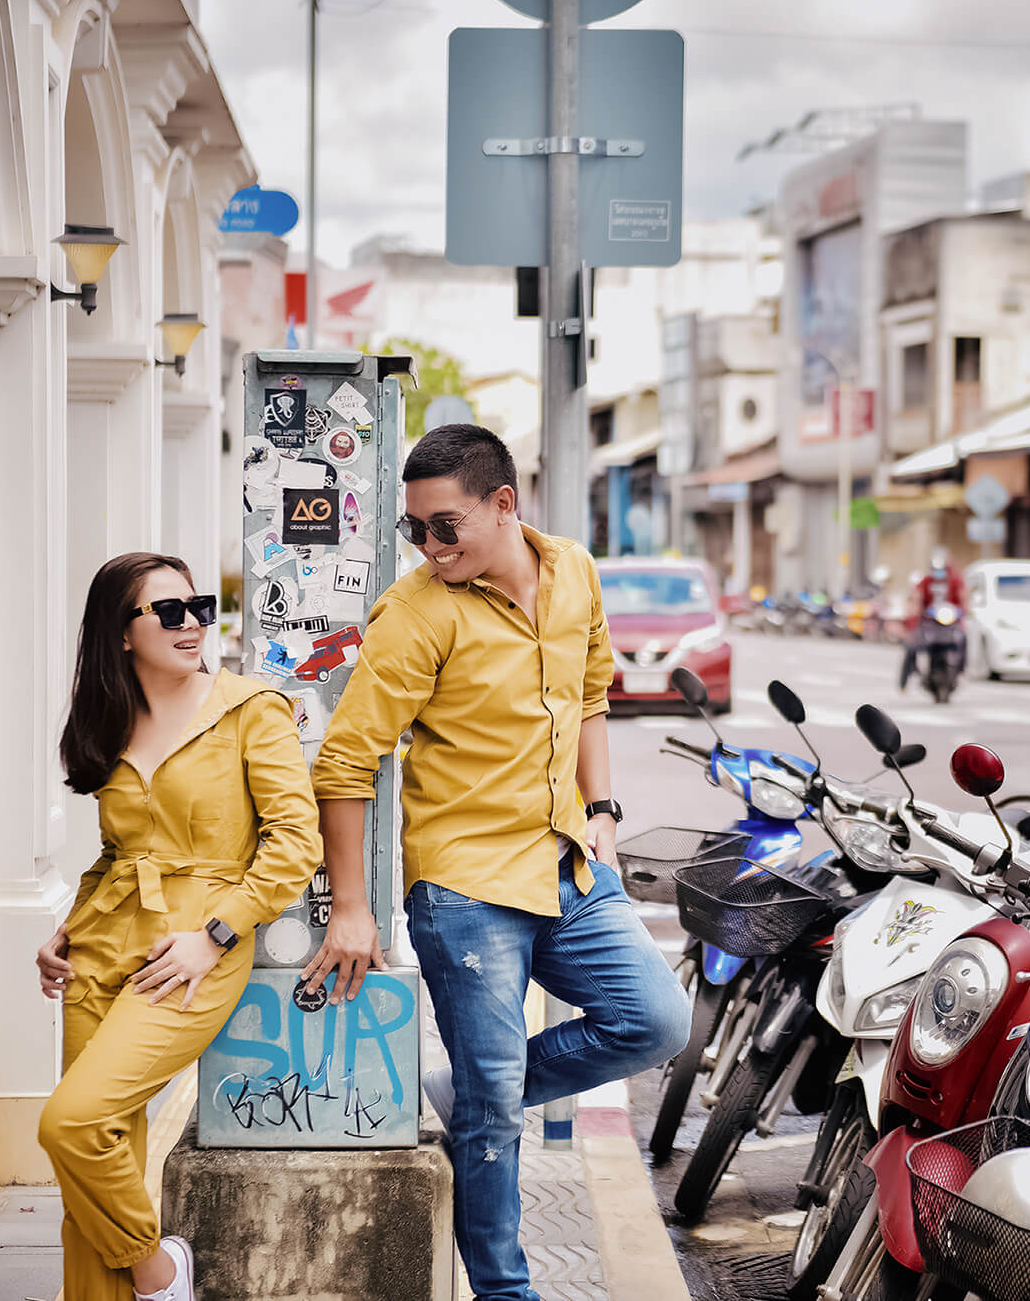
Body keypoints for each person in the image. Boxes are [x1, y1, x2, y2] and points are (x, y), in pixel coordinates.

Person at [305, 424, 688, 1301]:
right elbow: (345, 760)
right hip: (466, 887)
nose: (431, 548)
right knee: (491, 1122)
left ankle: (467, 1085)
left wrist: (603, 813)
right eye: (416, 531)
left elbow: (592, 696)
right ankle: (505, 1291)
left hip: (565, 861)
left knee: (656, 1021)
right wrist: (354, 909)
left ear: (504, 504)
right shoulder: (418, 613)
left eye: (447, 527)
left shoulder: (575, 573)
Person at [38, 553, 322, 1301]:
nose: (193, 622)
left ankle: (158, 1273)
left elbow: (295, 842)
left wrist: (217, 934)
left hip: (191, 945)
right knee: (101, 1162)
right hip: (100, 944)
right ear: (122, 633)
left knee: (70, 1125)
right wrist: (67, 927)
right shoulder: (110, 716)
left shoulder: (250, 709)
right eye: (169, 611)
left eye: (197, 606)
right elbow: (115, 851)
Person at [898, 547, 966, 691]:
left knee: (964, 639)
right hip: (929, 623)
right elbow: (916, 599)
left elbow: (963, 599)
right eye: (936, 569)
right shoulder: (925, 582)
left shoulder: (955, 581)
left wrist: (964, 610)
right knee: (912, 646)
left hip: (950, 623)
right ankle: (904, 681)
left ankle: (961, 670)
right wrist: (913, 617)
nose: (939, 574)